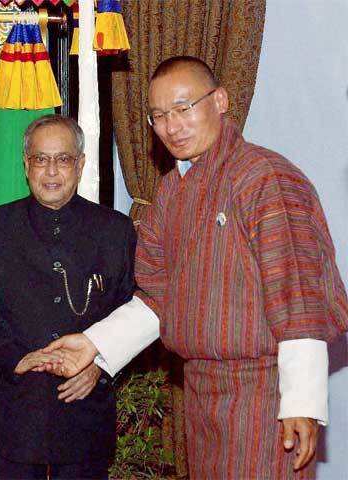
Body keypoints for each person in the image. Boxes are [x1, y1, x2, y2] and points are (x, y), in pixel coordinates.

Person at [30, 57, 348, 479]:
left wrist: (302, 404)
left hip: (262, 393)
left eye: (184, 109)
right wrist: (93, 345)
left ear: (219, 101)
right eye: (158, 116)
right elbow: (158, 297)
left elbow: (298, 297)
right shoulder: (170, 191)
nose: (171, 127)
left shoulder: (265, 178)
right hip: (199, 392)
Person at [0, 114, 137, 480]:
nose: (51, 171)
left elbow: (133, 309)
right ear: (26, 165)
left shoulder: (114, 230)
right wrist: (15, 357)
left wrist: (100, 363)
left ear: (80, 164)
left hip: (86, 406)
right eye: (41, 159)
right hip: (19, 407)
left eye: (63, 159)